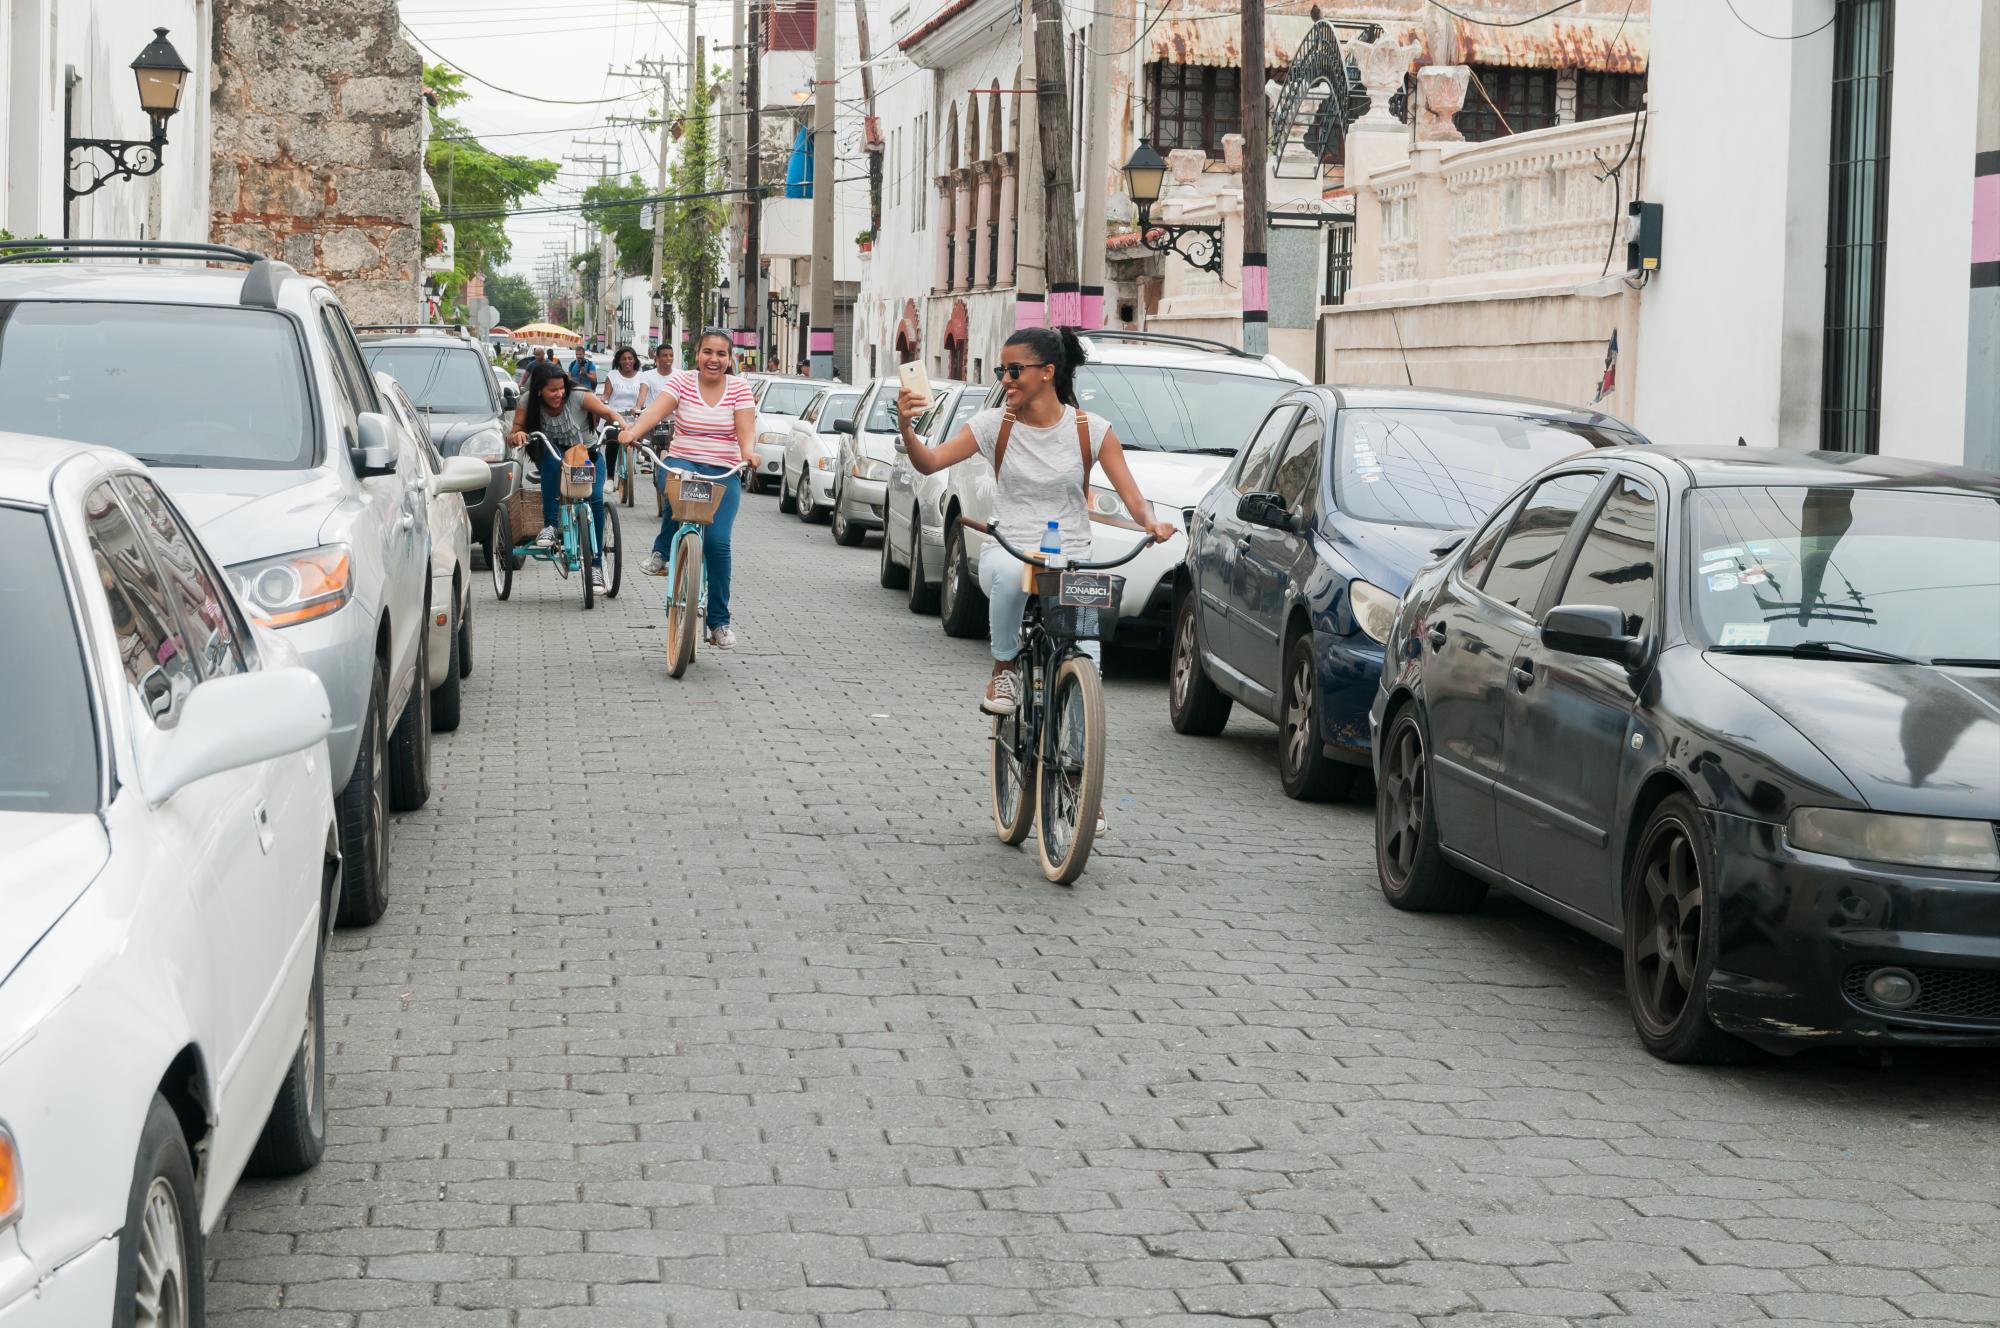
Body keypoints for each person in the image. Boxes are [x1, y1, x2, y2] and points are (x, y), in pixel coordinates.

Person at [896, 325, 1176, 715]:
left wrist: (1151, 523)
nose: (1005, 381)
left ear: (1046, 372)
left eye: (1014, 371)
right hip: (1008, 546)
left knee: (1087, 661)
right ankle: (1005, 667)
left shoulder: (1092, 430)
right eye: (1001, 372)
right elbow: (930, 463)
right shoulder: (994, 425)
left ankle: (1078, 754)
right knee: (1012, 575)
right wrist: (907, 429)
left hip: (1071, 558)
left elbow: (1133, 499)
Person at [618, 328, 757, 650]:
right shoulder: (681, 382)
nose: (714, 359)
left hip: (724, 471)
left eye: (721, 354)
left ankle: (719, 622)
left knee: (719, 544)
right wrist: (633, 431)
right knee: (674, 492)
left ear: (730, 358)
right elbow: (655, 412)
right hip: (685, 462)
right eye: (708, 352)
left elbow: (746, 430)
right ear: (697, 355)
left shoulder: (738, 388)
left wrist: (749, 452)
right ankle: (662, 551)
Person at [510, 361, 626, 590]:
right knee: (553, 461)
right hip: (554, 456)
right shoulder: (527, 402)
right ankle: (551, 526)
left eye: (561, 388)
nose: (559, 394)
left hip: (587, 456)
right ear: (539, 391)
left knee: (595, 500)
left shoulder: (579, 396)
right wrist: (518, 435)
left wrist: (624, 427)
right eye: (552, 390)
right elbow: (514, 430)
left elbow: (608, 412)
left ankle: (595, 566)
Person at [599, 345, 646, 489]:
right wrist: (600, 401)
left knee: (644, 426)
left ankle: (641, 454)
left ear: (635, 360)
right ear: (619, 361)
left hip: (633, 416)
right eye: (624, 359)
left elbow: (642, 396)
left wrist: (637, 407)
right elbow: (606, 395)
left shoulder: (641, 376)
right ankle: (610, 478)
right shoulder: (612, 375)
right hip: (615, 415)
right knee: (613, 441)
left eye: (630, 358)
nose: (627, 361)